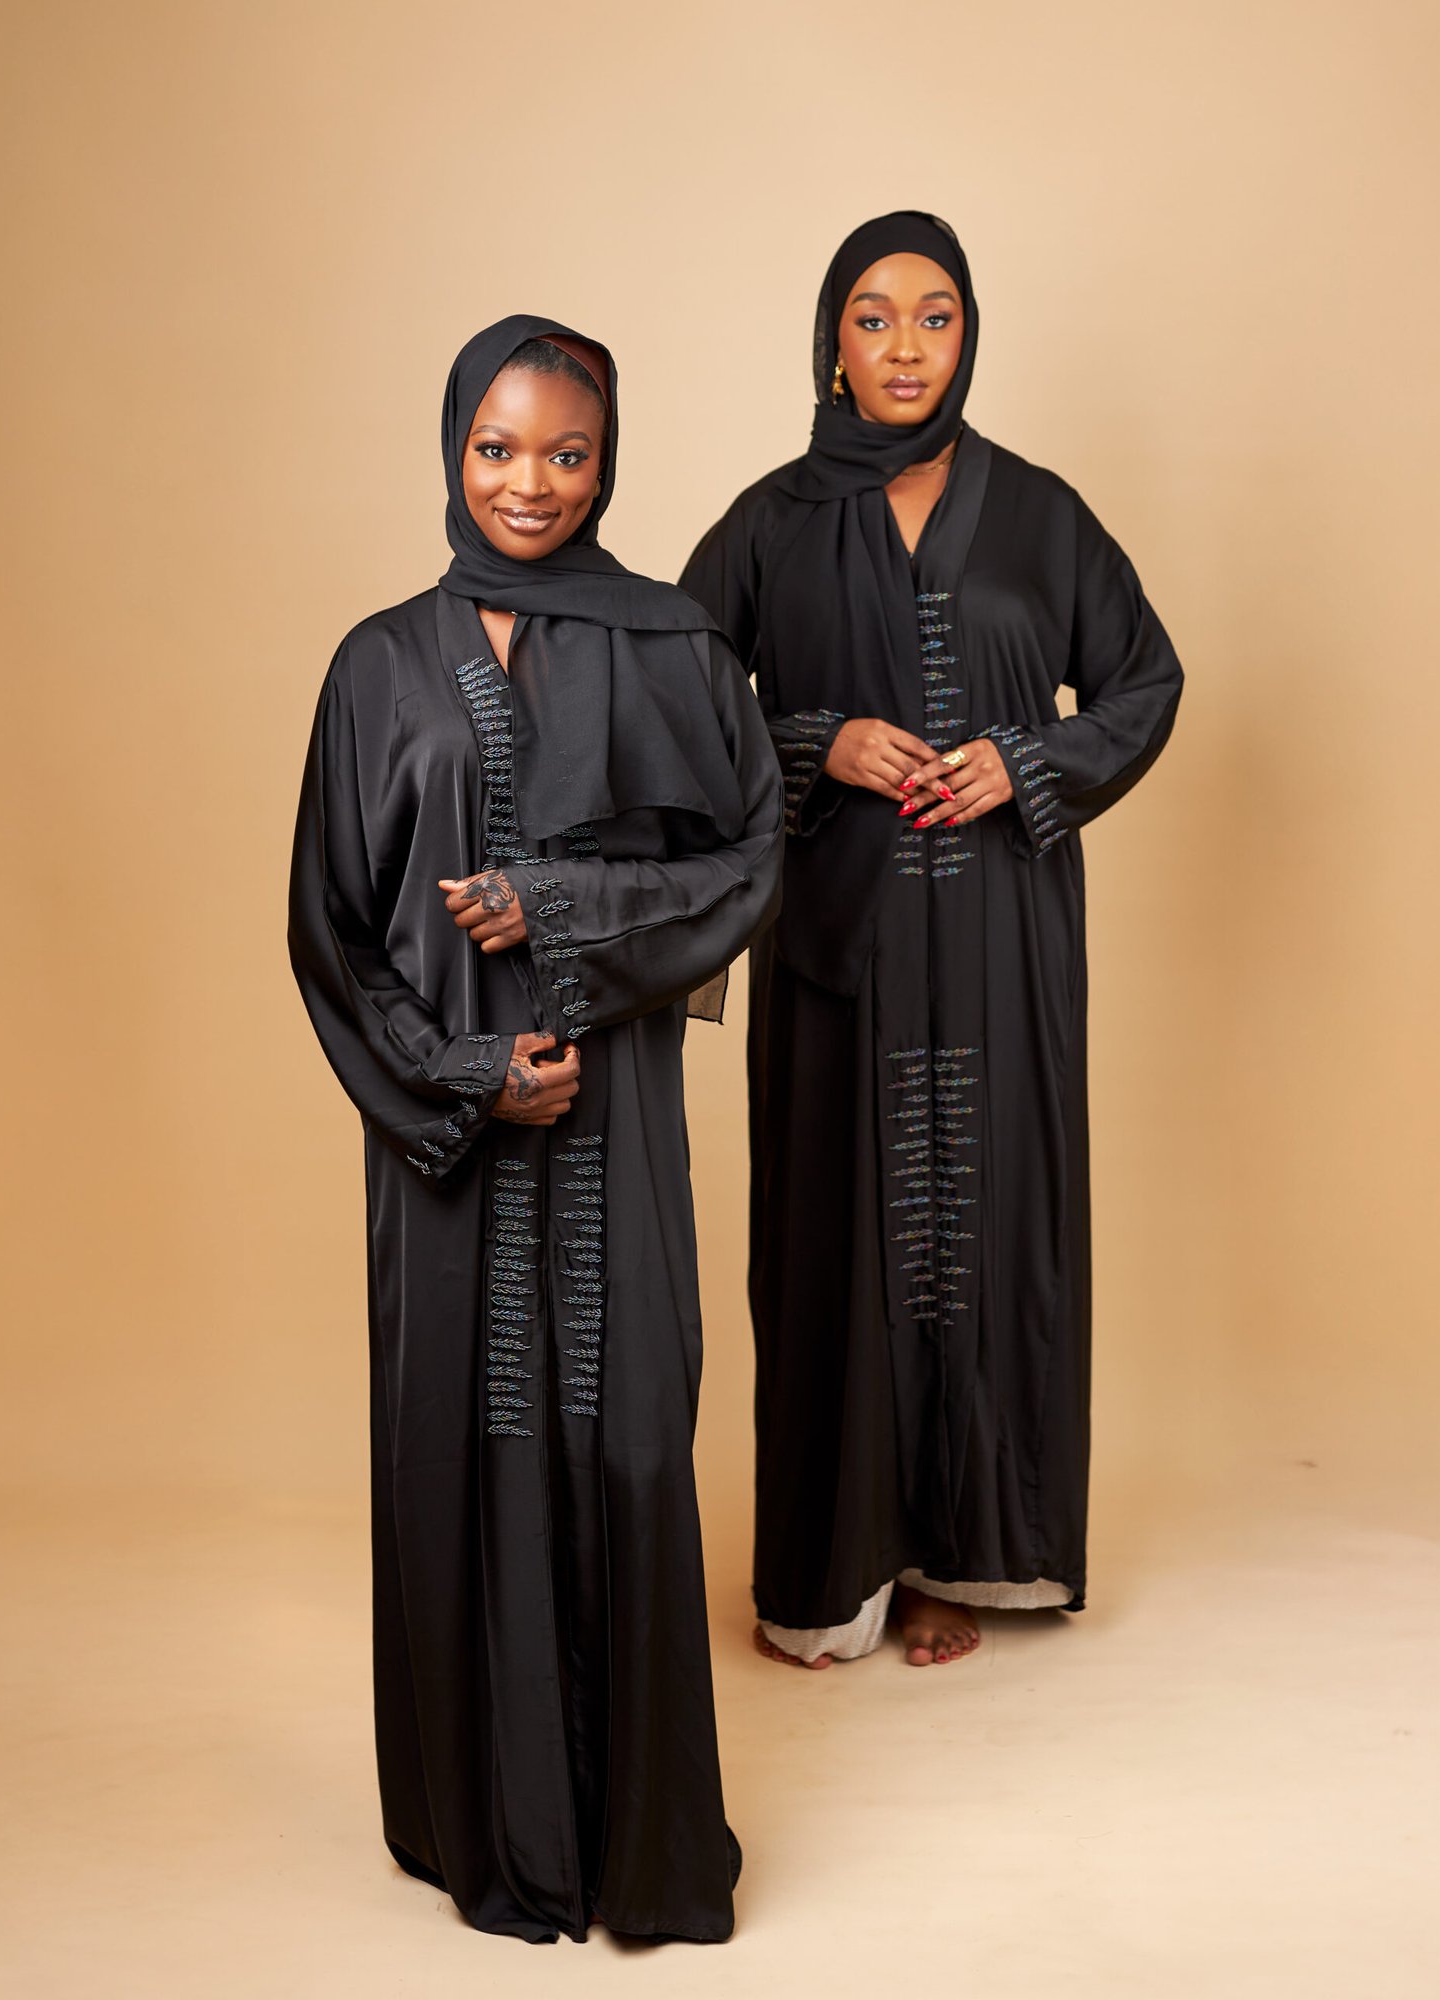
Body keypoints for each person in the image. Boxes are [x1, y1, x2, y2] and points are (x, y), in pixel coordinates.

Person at [289, 315, 782, 1941]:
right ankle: (476, 1820)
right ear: (454, 448)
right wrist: (464, 1074)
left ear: (606, 460)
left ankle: (630, 1839)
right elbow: (329, 930)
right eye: (498, 448)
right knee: (462, 1446)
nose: (530, 483)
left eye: (567, 453)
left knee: (628, 1439)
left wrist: (559, 905)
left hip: (618, 1133)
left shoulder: (674, 645)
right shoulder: (378, 664)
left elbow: (746, 862)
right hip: (444, 1155)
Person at [681, 212, 1183, 1671]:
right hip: (840, 955)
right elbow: (677, 708)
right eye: (874, 316)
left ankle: (958, 1555)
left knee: (987, 1230)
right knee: (837, 1238)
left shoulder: (1042, 515)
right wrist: (816, 743)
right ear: (831, 342)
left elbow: (1143, 684)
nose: (906, 347)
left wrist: (1027, 763)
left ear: (968, 336)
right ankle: (839, 1568)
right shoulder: (772, 522)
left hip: (1003, 951)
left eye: (936, 316)